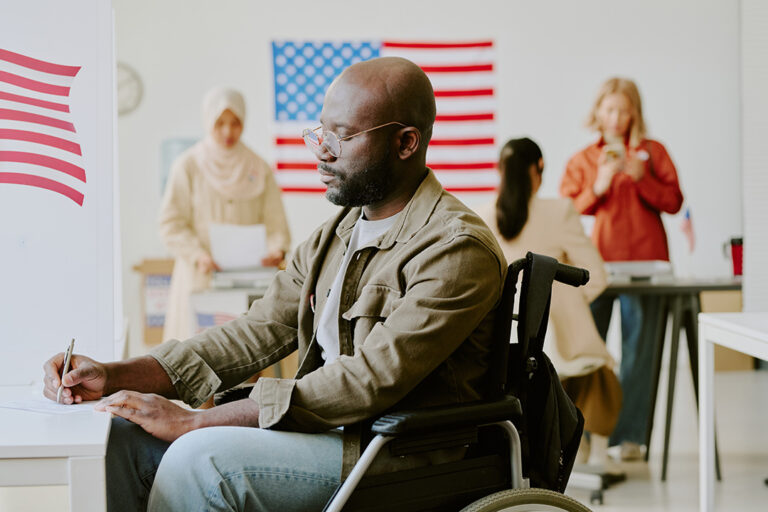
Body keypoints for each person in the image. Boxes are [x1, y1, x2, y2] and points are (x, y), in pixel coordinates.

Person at [43, 57, 506, 512]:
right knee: (122, 435)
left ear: (406, 142)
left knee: (198, 461)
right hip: (327, 435)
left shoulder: (457, 249)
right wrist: (114, 375)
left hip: (394, 451)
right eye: (322, 131)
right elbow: (253, 332)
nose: (323, 150)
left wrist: (196, 422)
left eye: (343, 136)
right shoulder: (337, 234)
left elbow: (365, 381)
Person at [476, 137, 622, 474]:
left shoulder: (481, 216)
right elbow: (595, 275)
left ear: (500, 171)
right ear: (537, 169)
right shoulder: (560, 211)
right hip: (559, 346)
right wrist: (565, 305)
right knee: (598, 372)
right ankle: (591, 452)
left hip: (502, 349)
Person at [560, 77, 683, 460]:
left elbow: (675, 201)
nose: (616, 117)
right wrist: (598, 186)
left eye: (623, 110)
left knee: (638, 353)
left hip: (647, 268)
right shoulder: (584, 158)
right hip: (598, 268)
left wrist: (642, 180)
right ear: (598, 112)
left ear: (635, 113)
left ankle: (629, 438)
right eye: (609, 109)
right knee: (586, 350)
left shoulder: (653, 152)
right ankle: (578, 432)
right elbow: (567, 210)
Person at [159, 87, 291, 342]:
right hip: (200, 279)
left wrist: (277, 249)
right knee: (193, 354)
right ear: (208, 121)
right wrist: (198, 255)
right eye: (220, 123)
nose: (228, 132)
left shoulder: (259, 167)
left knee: (243, 352)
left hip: (248, 282)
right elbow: (170, 224)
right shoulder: (189, 166)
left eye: (235, 123)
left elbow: (277, 225)